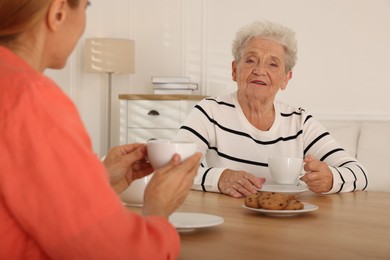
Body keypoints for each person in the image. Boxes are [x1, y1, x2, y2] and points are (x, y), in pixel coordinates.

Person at [0, 0, 202, 259]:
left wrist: (98, 179)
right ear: (58, 11)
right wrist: (158, 209)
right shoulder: (29, 97)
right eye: (86, 6)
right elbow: (114, 253)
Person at [175, 20, 368, 198]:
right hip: (230, 221)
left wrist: (331, 179)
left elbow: (360, 173)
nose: (260, 70)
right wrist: (219, 179)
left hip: (287, 222)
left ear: (285, 78)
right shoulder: (210, 112)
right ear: (235, 70)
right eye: (251, 60)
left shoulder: (300, 122)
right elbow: (172, 169)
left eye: (273, 64)